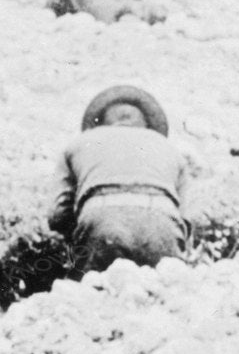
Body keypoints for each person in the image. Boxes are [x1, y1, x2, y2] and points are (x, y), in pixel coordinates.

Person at [49, 84, 193, 275]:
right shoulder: (171, 150)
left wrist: (78, 238)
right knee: (164, 296)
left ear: (102, 121)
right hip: (162, 227)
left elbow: (58, 215)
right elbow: (187, 219)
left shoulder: (77, 144)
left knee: (91, 296)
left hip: (101, 225)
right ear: (146, 123)